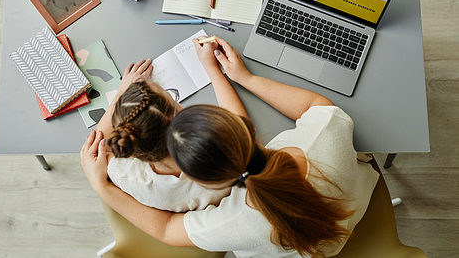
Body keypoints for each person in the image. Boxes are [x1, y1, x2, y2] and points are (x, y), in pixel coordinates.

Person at [81, 36, 379, 258]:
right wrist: (244, 78)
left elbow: (165, 230)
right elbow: (318, 105)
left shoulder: (231, 221)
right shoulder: (323, 135)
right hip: (354, 206)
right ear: (242, 130)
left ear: (203, 179)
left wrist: (103, 189)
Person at [96, 57, 243, 212]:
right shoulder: (220, 145)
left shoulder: (138, 182)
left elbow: (95, 148)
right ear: (181, 115)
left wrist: (121, 92)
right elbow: (239, 122)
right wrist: (212, 66)